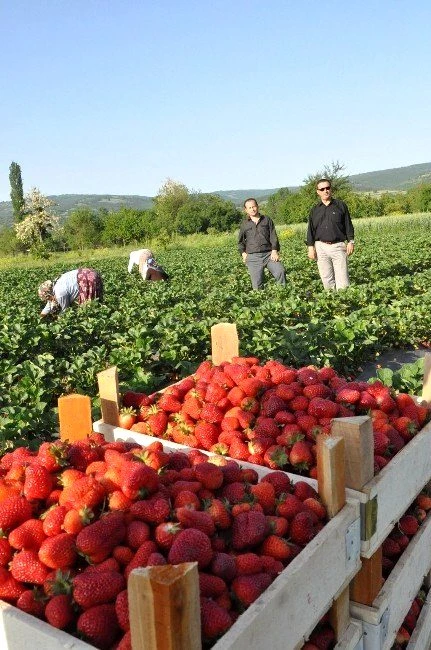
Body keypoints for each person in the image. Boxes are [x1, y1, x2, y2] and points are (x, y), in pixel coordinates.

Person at [306, 179, 355, 290]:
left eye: (328, 188)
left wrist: (351, 242)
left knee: (343, 282)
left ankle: (344, 304)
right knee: (326, 280)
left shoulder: (341, 206)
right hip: (321, 247)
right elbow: (311, 230)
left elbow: (348, 225)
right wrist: (310, 247)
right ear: (318, 192)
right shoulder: (314, 210)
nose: (325, 191)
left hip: (338, 246)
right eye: (322, 189)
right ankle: (332, 304)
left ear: (331, 189)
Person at [238, 198, 286, 290]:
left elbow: (273, 236)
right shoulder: (244, 224)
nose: (252, 209)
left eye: (254, 206)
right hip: (253, 257)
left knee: (280, 271)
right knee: (257, 284)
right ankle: (260, 301)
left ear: (257, 206)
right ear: (246, 210)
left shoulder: (267, 220)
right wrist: (243, 254)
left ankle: (282, 294)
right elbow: (240, 241)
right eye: (250, 208)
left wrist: (274, 250)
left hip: (269, 255)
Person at [38, 268, 103, 316]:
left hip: (86, 279)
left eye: (47, 298)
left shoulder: (59, 293)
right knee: (96, 300)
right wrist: (41, 316)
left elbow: (66, 311)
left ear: (48, 294)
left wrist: (59, 320)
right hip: (90, 273)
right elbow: (49, 304)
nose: (48, 300)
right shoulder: (55, 285)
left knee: (88, 307)